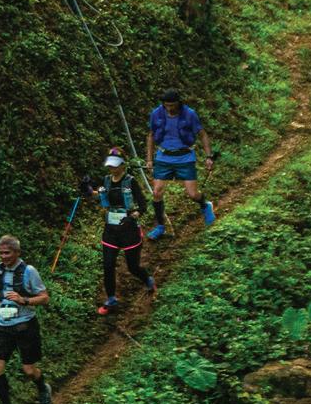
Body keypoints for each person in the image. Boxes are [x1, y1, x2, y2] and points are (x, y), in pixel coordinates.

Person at [0, 234, 51, 404]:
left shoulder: (29, 271)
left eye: (7, 253)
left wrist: (24, 300)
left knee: (29, 370)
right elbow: (1, 294)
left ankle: (43, 388)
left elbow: (44, 298)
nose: (3, 257)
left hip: (25, 325)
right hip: (3, 326)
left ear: (17, 252)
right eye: (1, 253)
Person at [82, 148, 155, 314]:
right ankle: (111, 299)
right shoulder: (107, 181)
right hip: (111, 230)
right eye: (110, 165)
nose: (112, 169)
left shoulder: (130, 182)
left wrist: (133, 216)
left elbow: (143, 205)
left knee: (133, 267)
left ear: (123, 165)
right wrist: (87, 190)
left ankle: (147, 279)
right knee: (108, 266)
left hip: (129, 230)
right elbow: (100, 196)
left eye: (115, 165)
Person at [144, 88, 216, 239]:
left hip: (185, 157)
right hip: (163, 157)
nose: (169, 108)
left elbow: (202, 134)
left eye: (172, 105)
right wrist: (149, 159)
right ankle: (160, 226)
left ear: (178, 103)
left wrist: (209, 156)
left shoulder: (189, 114)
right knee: (157, 193)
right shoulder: (156, 113)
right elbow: (151, 135)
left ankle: (205, 205)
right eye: (166, 105)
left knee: (193, 194)